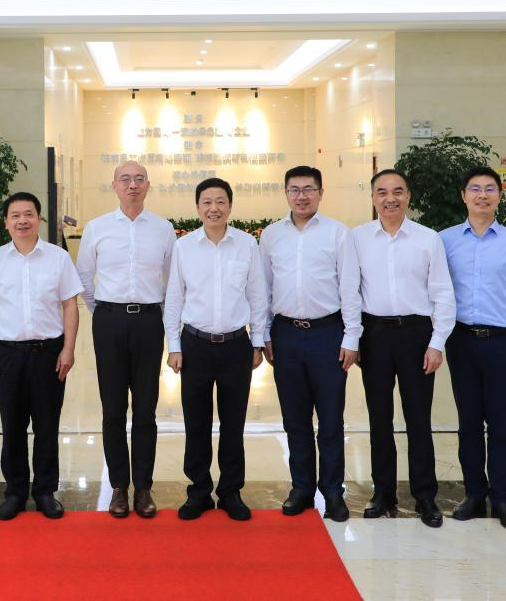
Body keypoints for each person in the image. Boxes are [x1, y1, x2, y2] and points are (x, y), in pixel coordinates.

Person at [341, 168, 454, 528]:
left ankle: (425, 495)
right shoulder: (357, 238)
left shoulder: (427, 238)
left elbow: (442, 293)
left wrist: (437, 343)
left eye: (397, 191)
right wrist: (353, 338)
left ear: (408, 196)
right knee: (379, 419)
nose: (390, 198)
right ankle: (383, 492)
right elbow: (349, 292)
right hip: (374, 335)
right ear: (373, 198)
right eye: (382, 192)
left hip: (416, 334)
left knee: (419, 418)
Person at [439, 166, 506, 532]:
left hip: (503, 342)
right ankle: (473, 494)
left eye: (490, 189)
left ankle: (502, 498)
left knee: (500, 424)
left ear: (499, 195)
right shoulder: (445, 241)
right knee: (468, 422)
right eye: (475, 188)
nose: (482, 195)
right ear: (463, 195)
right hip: (462, 340)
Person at [164, 177, 268, 522]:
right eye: (207, 202)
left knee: (233, 423)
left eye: (220, 201)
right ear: (198, 207)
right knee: (196, 423)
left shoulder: (246, 245)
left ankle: (230, 491)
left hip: (236, 345)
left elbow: (257, 296)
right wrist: (174, 345)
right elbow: (174, 298)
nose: (214, 208)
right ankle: (198, 491)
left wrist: (257, 342)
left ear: (230, 206)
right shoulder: (184, 247)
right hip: (194, 344)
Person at [76, 161, 175, 519]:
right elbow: (83, 276)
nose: (132, 185)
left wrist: (159, 316)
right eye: (125, 179)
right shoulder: (97, 228)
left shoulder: (163, 229)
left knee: (146, 409)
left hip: (149, 321)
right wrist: (103, 312)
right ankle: (119, 486)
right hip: (110, 321)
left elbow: (172, 281)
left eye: (138, 179)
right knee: (113, 409)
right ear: (114, 185)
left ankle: (143, 487)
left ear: (148, 185)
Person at [259, 165, 356, 523]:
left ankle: (332, 491)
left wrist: (352, 336)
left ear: (320, 193)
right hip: (286, 334)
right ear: (286, 193)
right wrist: (264, 333)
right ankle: (301, 487)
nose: (302, 196)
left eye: (309, 189)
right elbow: (263, 289)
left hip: (328, 333)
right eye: (295, 190)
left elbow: (350, 288)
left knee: (330, 419)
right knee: (295, 418)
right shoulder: (271, 235)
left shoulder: (338, 233)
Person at [0, 192, 81, 521]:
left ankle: (45, 491)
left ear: (38, 219)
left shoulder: (58, 258)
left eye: (29, 214)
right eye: (15, 215)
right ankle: (16, 492)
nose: (22, 220)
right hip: (10, 354)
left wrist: (68, 348)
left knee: (47, 426)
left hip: (49, 353)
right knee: (13, 426)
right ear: (6, 222)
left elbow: (70, 305)